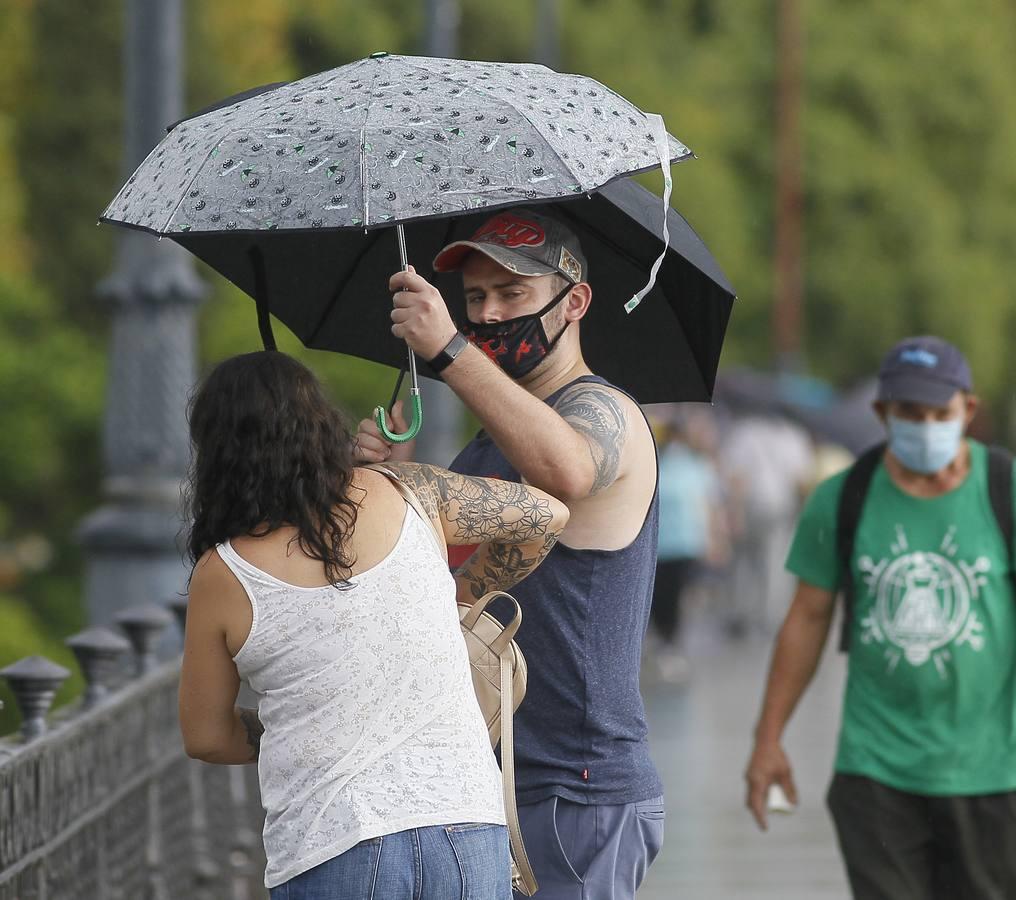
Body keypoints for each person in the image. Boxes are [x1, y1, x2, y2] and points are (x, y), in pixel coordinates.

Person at [178, 351, 569, 900]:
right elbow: (546, 516)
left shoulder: (224, 574)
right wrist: (459, 595)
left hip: (333, 847)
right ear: (321, 424)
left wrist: (301, 725)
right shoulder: (412, 491)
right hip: (466, 827)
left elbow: (206, 736)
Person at [355, 210, 665, 899]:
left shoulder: (605, 412)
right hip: (486, 775)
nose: (489, 314)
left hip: (573, 788)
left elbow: (569, 473)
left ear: (574, 302)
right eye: (474, 299)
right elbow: (439, 584)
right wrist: (387, 480)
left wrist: (449, 350)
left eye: (512, 294)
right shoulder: (491, 440)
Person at [745, 336, 1016, 899]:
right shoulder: (843, 499)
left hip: (993, 773)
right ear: (881, 413)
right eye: (909, 414)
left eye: (939, 414)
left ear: (968, 410)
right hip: (876, 772)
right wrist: (768, 739)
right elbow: (807, 619)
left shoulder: (1004, 490)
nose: (925, 427)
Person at [650, 408, 727, 683]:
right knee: (662, 597)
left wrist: (716, 539)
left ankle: (672, 643)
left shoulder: (698, 467)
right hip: (662, 546)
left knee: (680, 597)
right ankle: (665, 643)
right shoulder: (656, 465)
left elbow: (710, 505)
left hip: (685, 543)